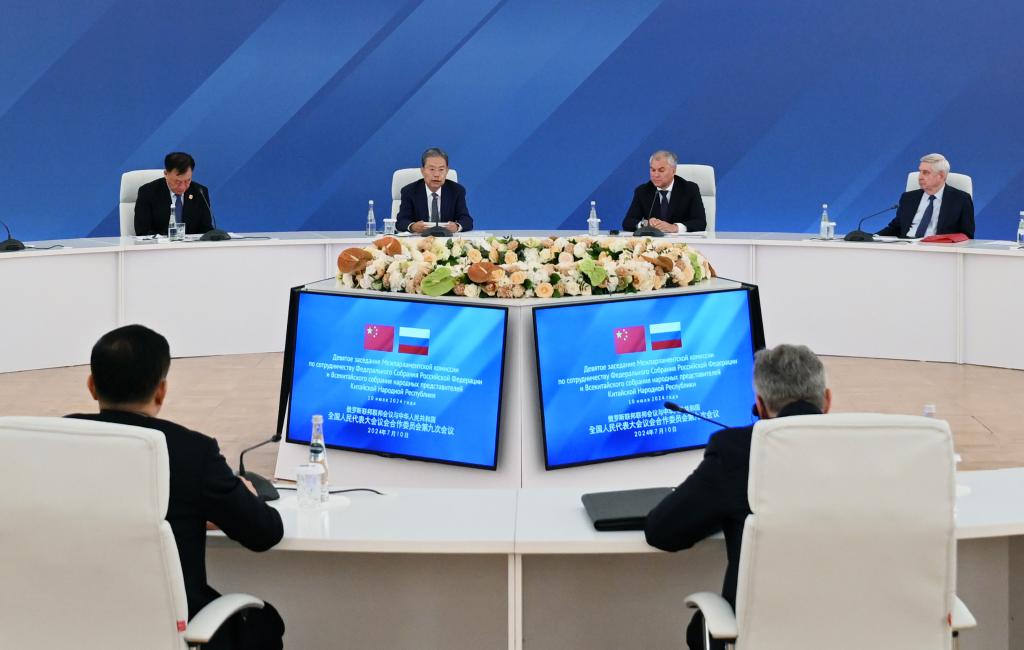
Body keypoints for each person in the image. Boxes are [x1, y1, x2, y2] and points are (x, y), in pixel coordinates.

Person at [67, 325, 284, 650]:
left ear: (91, 386)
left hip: (65, 627)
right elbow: (265, 533)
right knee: (265, 625)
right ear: (161, 391)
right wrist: (232, 499)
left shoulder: (52, 442)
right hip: (167, 634)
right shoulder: (192, 452)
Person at [644, 344, 832, 650]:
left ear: (760, 406)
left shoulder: (737, 452)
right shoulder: (877, 454)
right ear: (827, 400)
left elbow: (662, 532)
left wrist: (721, 509)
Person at [877, 153, 975, 239]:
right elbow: (896, 227)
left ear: (941, 175)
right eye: (920, 171)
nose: (920, 177)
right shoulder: (908, 198)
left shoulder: (961, 200)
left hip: (938, 249)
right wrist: (873, 238)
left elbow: (966, 235)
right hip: (907, 246)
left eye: (925, 172)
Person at [622, 150, 707, 233]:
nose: (656, 175)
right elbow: (628, 222)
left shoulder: (689, 189)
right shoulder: (642, 191)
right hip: (654, 241)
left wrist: (674, 227)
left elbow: (700, 222)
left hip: (681, 240)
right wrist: (645, 224)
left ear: (673, 171)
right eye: (653, 170)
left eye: (661, 170)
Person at [395, 147, 474, 233]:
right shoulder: (409, 191)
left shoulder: (457, 191)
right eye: (432, 169)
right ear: (422, 171)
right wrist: (413, 227)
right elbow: (401, 221)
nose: (436, 174)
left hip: (446, 238)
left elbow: (467, 220)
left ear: (447, 171)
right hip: (419, 238)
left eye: (441, 169)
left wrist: (457, 226)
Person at [134, 152, 214, 236]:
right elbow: (142, 231)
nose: (182, 187)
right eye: (178, 182)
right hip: (159, 244)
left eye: (187, 181)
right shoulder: (147, 192)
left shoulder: (200, 192)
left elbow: (206, 230)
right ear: (166, 174)